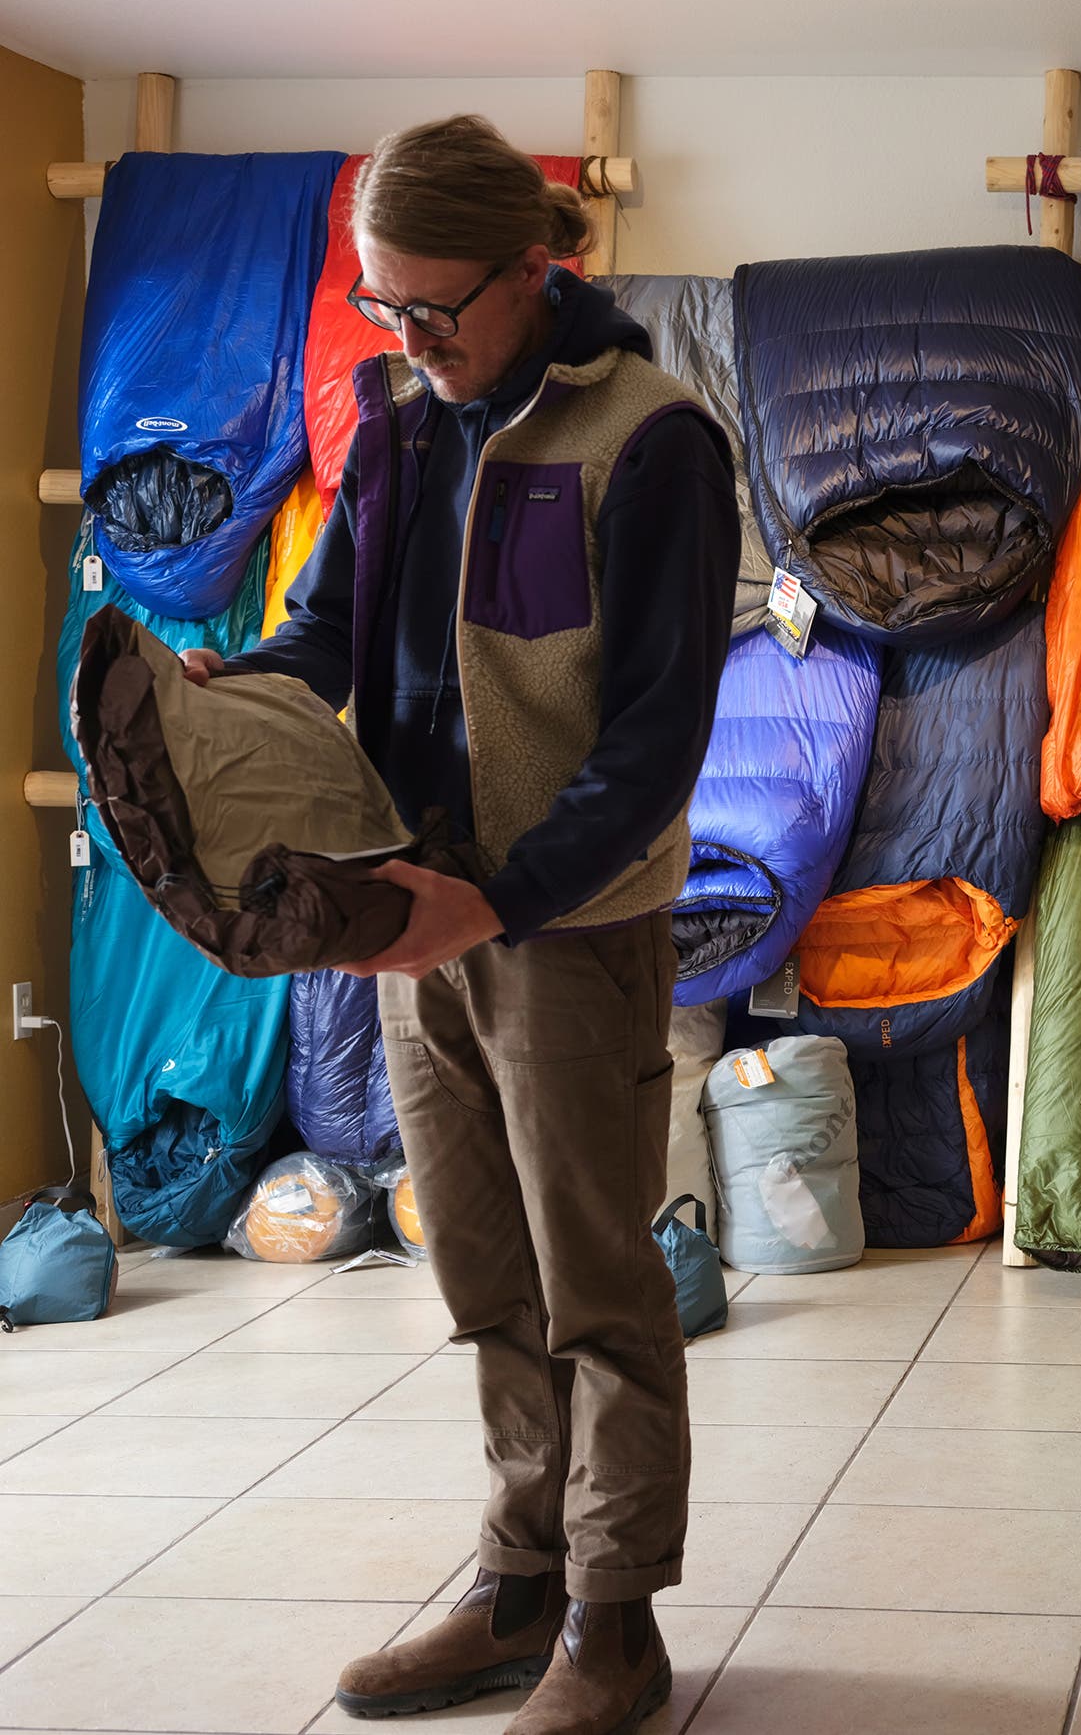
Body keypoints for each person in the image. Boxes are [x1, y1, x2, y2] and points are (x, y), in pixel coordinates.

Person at [183, 116, 737, 1735]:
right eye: (384, 310)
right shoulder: (400, 427)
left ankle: (614, 1621)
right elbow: (332, 629)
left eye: (436, 308)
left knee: (599, 1282)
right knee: (483, 1272)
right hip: (409, 919)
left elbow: (654, 740)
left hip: (563, 925)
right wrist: (247, 684)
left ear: (536, 265)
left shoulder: (654, 441)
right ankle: (515, 1586)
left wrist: (501, 893)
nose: (410, 341)